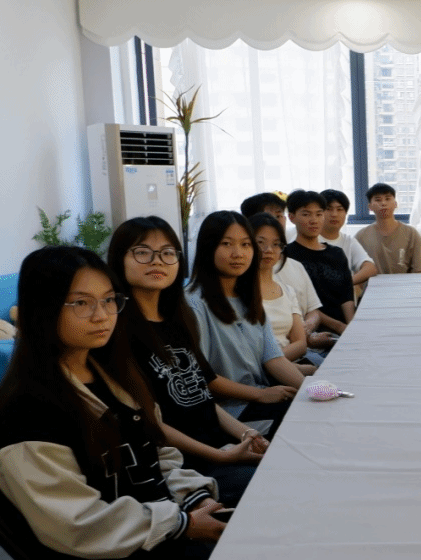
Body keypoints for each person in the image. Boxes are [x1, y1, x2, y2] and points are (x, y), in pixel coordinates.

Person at [0, 246, 225, 560]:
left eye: (108, 300)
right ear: (42, 309)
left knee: (257, 544)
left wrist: (193, 500)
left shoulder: (112, 374)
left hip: (152, 543)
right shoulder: (24, 416)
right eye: (81, 303)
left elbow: (158, 456)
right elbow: (79, 525)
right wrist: (182, 523)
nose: (101, 315)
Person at [107, 216, 267, 508]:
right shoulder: (115, 331)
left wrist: (247, 433)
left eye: (167, 252)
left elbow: (202, 396)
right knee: (276, 486)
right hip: (184, 466)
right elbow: (148, 423)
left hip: (219, 447)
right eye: (142, 252)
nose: (157, 261)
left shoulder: (178, 319)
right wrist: (221, 456)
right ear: (119, 259)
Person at [189, 211, 305, 428]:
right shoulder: (194, 304)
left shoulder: (249, 299)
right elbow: (203, 377)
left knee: (314, 405)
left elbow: (274, 359)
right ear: (207, 248)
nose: (238, 254)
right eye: (226, 244)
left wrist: (310, 390)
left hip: (258, 396)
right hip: (227, 411)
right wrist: (260, 395)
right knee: (301, 421)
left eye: (245, 245)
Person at [241, 194, 331, 352]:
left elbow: (313, 309)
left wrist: (306, 329)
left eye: (279, 216)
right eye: (267, 216)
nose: (275, 222)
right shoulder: (239, 282)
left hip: (302, 349)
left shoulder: (295, 267)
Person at [249, 213, 316, 375]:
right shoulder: (237, 292)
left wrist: (278, 363)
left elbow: (300, 343)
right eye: (260, 243)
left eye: (276, 244)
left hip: (289, 364)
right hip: (257, 372)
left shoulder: (287, 290)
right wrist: (273, 364)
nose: (268, 250)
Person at [285, 190, 356, 333]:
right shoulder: (286, 256)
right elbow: (298, 304)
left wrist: (352, 328)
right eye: (306, 214)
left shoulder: (337, 253)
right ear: (292, 217)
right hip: (307, 331)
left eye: (319, 214)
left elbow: (346, 296)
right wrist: (339, 327)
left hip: (342, 329)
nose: (314, 220)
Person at [354, 182, 421, 274]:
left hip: (405, 283)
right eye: (378, 200)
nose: (383, 203)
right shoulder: (361, 237)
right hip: (372, 283)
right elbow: (356, 271)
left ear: (395, 204)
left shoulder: (411, 233)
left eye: (387, 199)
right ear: (370, 207)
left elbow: (419, 269)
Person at [319, 189, 378, 287]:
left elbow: (370, 268)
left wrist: (345, 284)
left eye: (339, 209)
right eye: (328, 209)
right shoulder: (308, 240)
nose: (334, 214)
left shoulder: (349, 241)